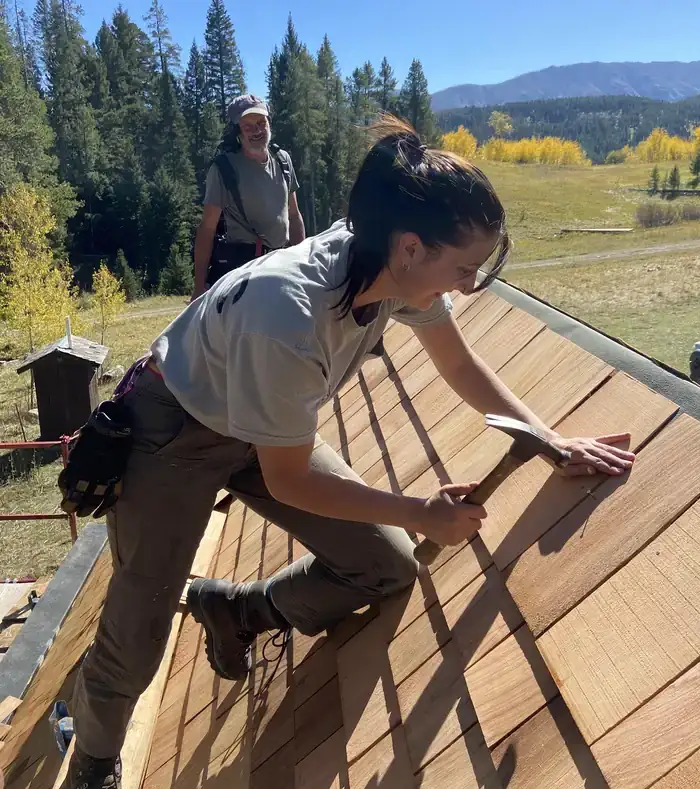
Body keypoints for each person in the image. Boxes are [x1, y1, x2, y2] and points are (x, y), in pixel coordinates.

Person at [61, 116, 636, 789]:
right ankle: (93, 761)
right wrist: (421, 513)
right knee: (140, 626)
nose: (467, 285)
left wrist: (549, 438)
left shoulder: (390, 272)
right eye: (464, 268)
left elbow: (461, 366)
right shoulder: (290, 315)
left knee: (386, 562)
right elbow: (291, 478)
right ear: (412, 246)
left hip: (264, 422)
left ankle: (237, 610)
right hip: (175, 431)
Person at [192, 94, 306, 300]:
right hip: (242, 271)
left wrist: (302, 264)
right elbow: (207, 229)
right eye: (248, 126)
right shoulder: (224, 169)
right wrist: (199, 287)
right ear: (236, 131)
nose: (257, 130)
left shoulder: (282, 160)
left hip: (282, 265)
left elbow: (294, 215)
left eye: (261, 123)